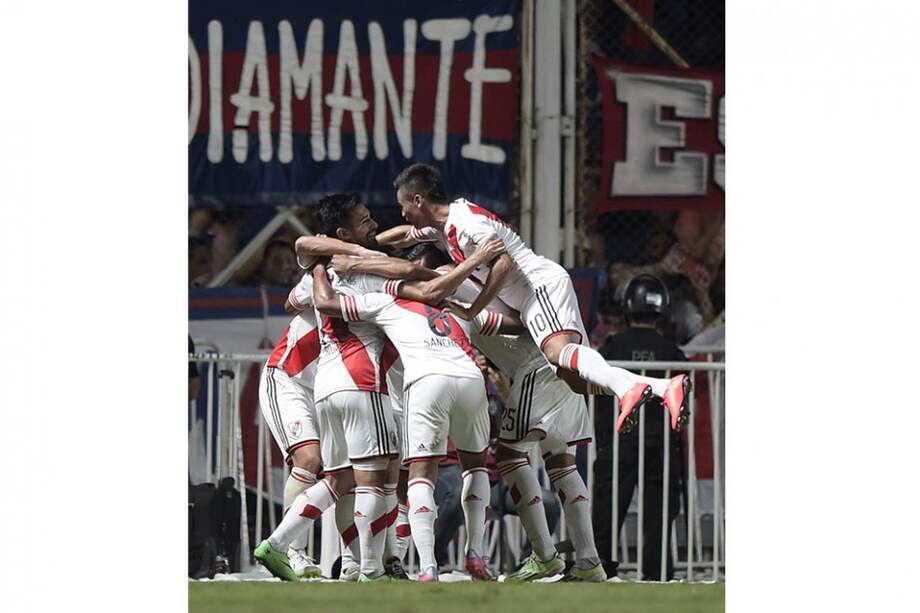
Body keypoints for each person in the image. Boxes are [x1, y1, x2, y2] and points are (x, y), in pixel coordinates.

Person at [390, 163, 691, 437]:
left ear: (419, 200)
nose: (402, 213)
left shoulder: (467, 224)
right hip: (531, 298)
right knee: (572, 377)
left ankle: (630, 386)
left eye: (403, 205)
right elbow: (406, 235)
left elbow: (504, 264)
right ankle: (663, 387)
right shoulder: (445, 225)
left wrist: (473, 310)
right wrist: (363, 245)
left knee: (557, 353)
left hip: (538, 287)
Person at [310, 260, 524, 583]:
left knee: (421, 475)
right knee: (476, 466)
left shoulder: (389, 301)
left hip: (426, 380)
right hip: (469, 376)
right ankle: (476, 553)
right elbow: (516, 324)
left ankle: (428, 567)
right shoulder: (461, 309)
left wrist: (316, 270)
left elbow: (328, 303)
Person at [593, 274, 686, 580]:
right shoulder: (672, 352)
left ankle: (599, 568)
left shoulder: (611, 348)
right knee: (659, 512)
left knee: (607, 510)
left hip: (620, 440)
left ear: (628, 308)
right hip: (661, 443)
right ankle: (657, 573)